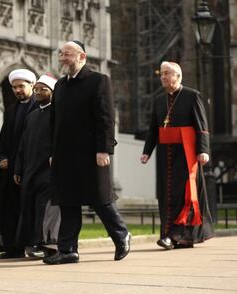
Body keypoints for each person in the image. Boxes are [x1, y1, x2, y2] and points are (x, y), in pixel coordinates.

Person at [43, 40, 131, 265]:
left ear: (82, 56)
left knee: (100, 199)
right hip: (64, 155)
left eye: (68, 54)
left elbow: (105, 118)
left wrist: (104, 149)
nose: (63, 58)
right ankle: (68, 250)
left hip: (91, 153)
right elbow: (54, 123)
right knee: (68, 202)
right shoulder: (60, 85)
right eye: (61, 54)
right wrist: (53, 152)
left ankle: (122, 236)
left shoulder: (98, 81)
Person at [141, 61, 214, 249]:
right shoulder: (159, 100)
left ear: (178, 76)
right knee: (166, 194)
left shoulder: (192, 96)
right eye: (161, 74)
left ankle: (179, 236)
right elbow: (153, 130)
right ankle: (169, 235)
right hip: (165, 155)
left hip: (186, 153)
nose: (163, 77)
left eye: (167, 73)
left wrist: (203, 150)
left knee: (184, 193)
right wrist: (147, 152)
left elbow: (202, 127)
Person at [14, 74, 61, 258]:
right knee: (29, 207)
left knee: (44, 208)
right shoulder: (32, 115)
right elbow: (23, 144)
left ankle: (45, 244)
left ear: (52, 92)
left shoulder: (57, 113)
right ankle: (31, 243)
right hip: (30, 169)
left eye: (44, 89)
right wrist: (18, 168)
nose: (39, 92)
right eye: (37, 89)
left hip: (48, 169)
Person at [0, 68, 38, 259]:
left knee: (28, 207)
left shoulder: (40, 108)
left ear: (32, 85)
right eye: (14, 87)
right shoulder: (12, 110)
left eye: (21, 86)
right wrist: (2, 156)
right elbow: (3, 138)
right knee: (8, 207)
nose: (17, 91)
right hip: (11, 167)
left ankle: (30, 245)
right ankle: (12, 247)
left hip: (31, 166)